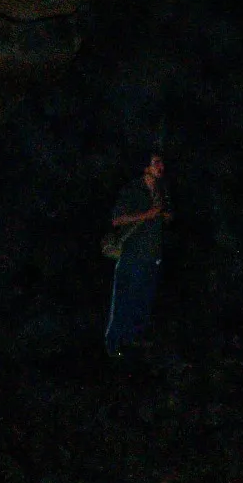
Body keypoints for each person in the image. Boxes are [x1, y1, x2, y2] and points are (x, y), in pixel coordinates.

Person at [103, 153, 170, 357]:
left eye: (161, 162)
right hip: (133, 253)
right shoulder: (133, 190)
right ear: (146, 167)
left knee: (143, 301)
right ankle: (113, 345)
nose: (160, 166)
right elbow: (116, 220)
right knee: (124, 300)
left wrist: (165, 215)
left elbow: (166, 216)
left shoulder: (161, 190)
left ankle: (132, 343)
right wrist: (145, 215)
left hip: (152, 253)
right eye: (155, 163)